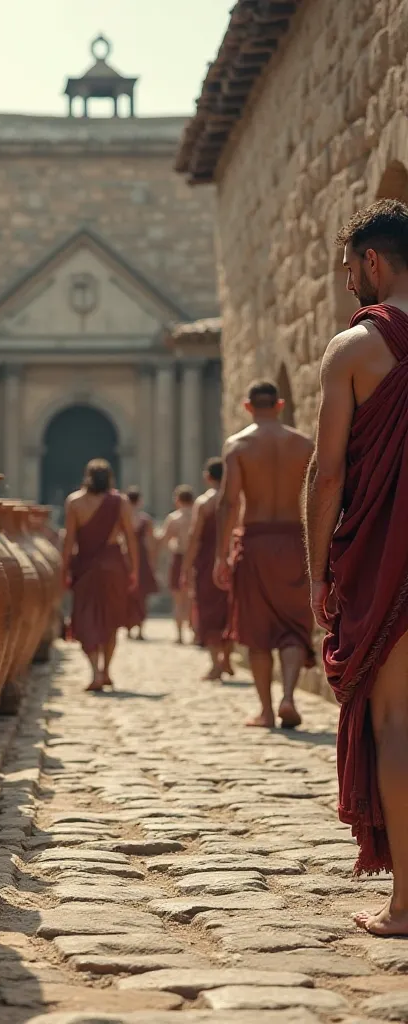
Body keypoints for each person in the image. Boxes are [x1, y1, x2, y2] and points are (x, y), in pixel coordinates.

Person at [305, 199, 408, 934]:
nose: (350, 284)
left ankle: (405, 905)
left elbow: (329, 474)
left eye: (350, 270)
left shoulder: (355, 349)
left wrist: (317, 571)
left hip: (390, 555)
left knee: (398, 721)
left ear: (374, 262)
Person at [215, 379, 314, 729]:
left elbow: (229, 503)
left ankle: (267, 710)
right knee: (292, 625)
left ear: (247, 407)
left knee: (257, 631)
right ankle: (288, 695)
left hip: (255, 542)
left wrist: (221, 554)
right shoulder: (303, 444)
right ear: (280, 405)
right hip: (293, 542)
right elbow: (320, 495)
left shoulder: (238, 445)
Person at [61, 459, 139, 691]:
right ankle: (106, 671)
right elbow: (130, 538)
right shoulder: (121, 502)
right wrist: (134, 568)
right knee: (111, 622)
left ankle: (95, 671)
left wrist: (64, 569)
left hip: (85, 567)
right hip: (114, 567)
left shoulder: (74, 502)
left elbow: (69, 541)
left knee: (86, 620)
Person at [180, 459, 232, 680]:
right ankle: (227, 659)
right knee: (229, 610)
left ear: (208, 477)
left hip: (207, 563)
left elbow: (194, 537)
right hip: (230, 561)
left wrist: (186, 566)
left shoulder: (203, 503)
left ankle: (216, 664)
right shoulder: (234, 499)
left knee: (209, 611)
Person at [156, 486, 195, 643]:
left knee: (178, 599)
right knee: (193, 598)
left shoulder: (174, 518)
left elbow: (164, 540)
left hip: (179, 557)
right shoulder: (197, 516)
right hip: (195, 559)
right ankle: (195, 632)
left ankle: (179, 635)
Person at [125, 486, 158, 640]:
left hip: (127, 558)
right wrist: (152, 562)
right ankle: (139, 630)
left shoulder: (122, 517)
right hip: (142, 557)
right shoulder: (145, 519)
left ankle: (129, 629)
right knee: (141, 596)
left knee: (127, 595)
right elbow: (151, 543)